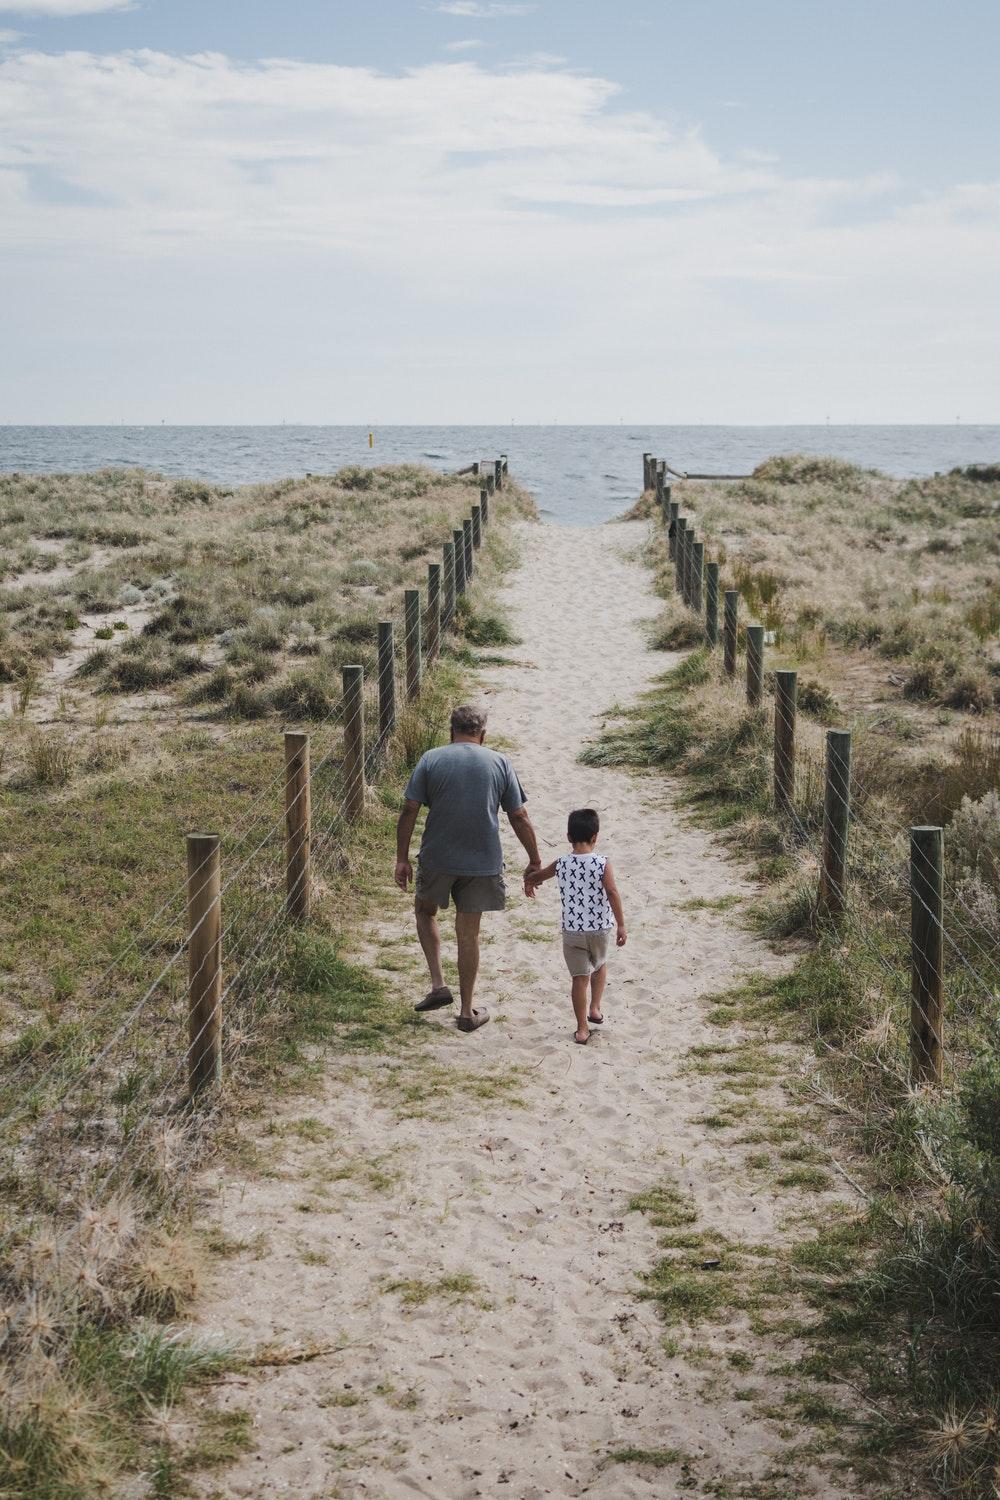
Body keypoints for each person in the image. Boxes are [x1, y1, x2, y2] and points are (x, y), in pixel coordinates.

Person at [395, 704, 541, 1032]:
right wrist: (534, 859)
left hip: (437, 857)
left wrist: (402, 858)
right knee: (468, 934)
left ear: (451, 732)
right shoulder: (500, 762)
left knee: (425, 911)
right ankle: (466, 1011)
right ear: (483, 734)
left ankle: (437, 985)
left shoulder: (431, 759)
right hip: (483, 862)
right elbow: (519, 816)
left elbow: (409, 809)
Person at [527, 808, 626, 1045]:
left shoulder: (561, 863)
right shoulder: (603, 862)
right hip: (599, 929)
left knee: (579, 979)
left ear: (569, 837)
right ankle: (595, 1008)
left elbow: (540, 876)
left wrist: (529, 879)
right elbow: (612, 892)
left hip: (572, 931)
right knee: (600, 965)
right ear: (595, 837)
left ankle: (582, 1029)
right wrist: (621, 924)